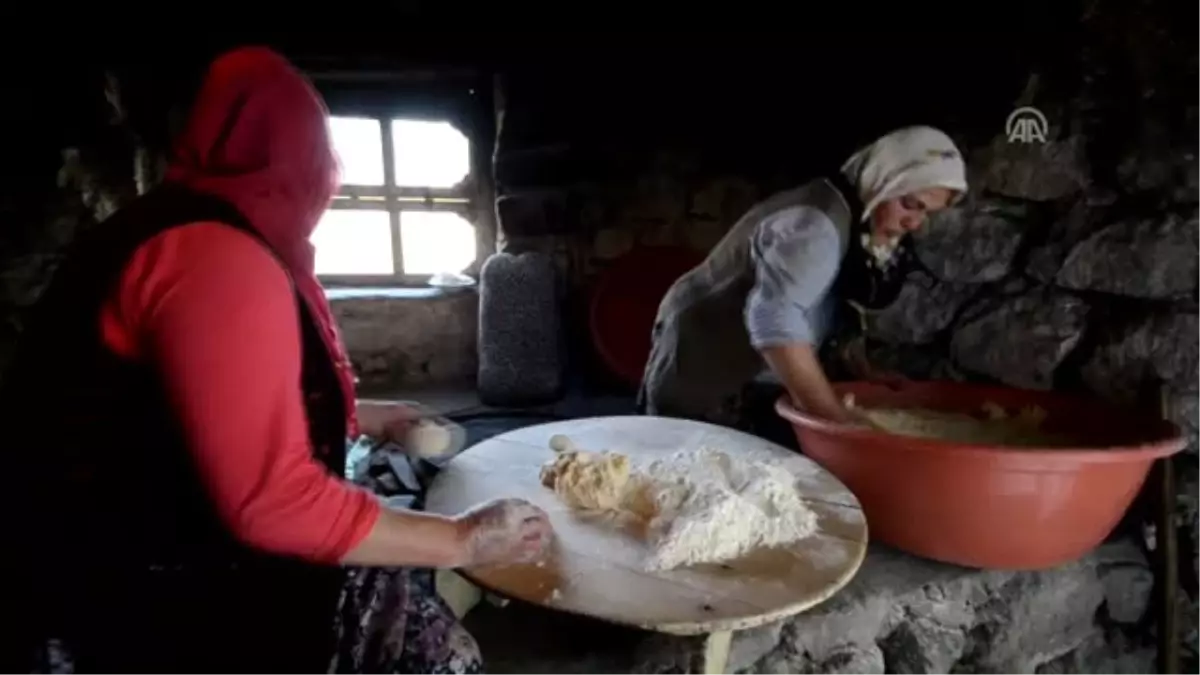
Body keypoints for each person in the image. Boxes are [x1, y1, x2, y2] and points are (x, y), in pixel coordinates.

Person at [2, 47, 552, 675]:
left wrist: (361, 417)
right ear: (301, 161)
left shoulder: (174, 228)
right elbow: (272, 501)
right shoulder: (216, 257)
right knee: (434, 653)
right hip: (131, 598)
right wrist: (461, 539)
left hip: (125, 550)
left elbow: (204, 406)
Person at [639, 126, 967, 437]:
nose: (914, 222)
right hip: (705, 360)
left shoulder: (854, 212)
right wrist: (834, 420)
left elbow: (821, 301)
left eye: (926, 213)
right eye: (910, 204)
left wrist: (859, 372)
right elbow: (773, 318)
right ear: (883, 179)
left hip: (751, 374)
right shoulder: (815, 226)